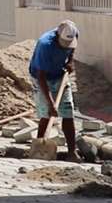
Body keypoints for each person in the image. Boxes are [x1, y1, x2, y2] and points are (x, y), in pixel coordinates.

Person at [30, 20, 81, 162]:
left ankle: (72, 152)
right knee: (46, 113)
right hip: (41, 78)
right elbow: (41, 77)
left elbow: (72, 49)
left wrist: (70, 61)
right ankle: (40, 147)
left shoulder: (73, 33)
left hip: (60, 76)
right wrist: (51, 103)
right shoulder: (45, 45)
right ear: (57, 36)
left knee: (68, 111)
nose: (66, 46)